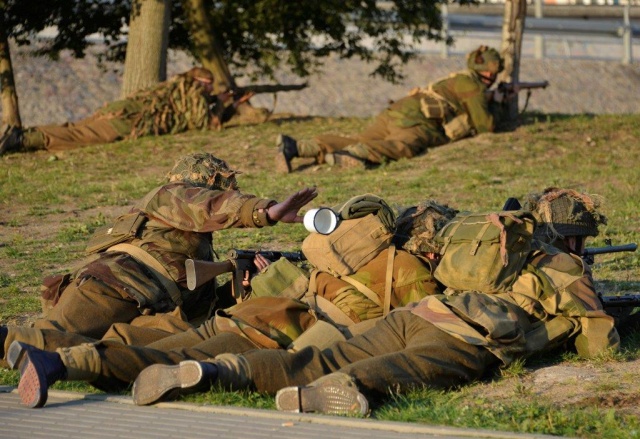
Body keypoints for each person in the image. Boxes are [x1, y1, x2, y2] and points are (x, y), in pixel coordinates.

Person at [112, 187, 617, 415]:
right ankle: (329, 394)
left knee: (313, 358)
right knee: (403, 370)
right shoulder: (565, 267)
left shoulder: (487, 246)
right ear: (574, 239)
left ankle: (220, 373)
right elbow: (601, 345)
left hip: (416, 313)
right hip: (469, 337)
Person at [1, 200, 460, 408]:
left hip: (242, 314)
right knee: (160, 356)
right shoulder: (410, 273)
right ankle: (63, 365)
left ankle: (23, 342)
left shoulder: (346, 251)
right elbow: (414, 324)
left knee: (135, 339)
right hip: (265, 332)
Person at [14, 152, 317, 345]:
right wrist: (265, 212)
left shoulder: (191, 242)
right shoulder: (172, 195)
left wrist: (245, 285)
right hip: (113, 287)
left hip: (143, 305)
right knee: (43, 339)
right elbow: (207, 205)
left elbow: (201, 315)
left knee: (83, 349)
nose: (230, 194)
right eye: (225, 189)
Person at [274, 45, 507, 172]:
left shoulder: (458, 79)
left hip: (397, 111)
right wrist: (498, 104)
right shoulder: (473, 85)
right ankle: (356, 155)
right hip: (417, 121)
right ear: (490, 71)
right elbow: (485, 126)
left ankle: (297, 147)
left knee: (355, 138)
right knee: (403, 146)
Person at [0, 67, 254, 156]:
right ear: (201, 82)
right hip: (130, 121)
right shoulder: (192, 90)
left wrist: (231, 105)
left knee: (74, 128)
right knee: (79, 137)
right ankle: (20, 140)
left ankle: (20, 134)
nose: (209, 88)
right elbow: (204, 123)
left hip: (122, 111)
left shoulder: (181, 86)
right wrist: (222, 103)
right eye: (208, 84)